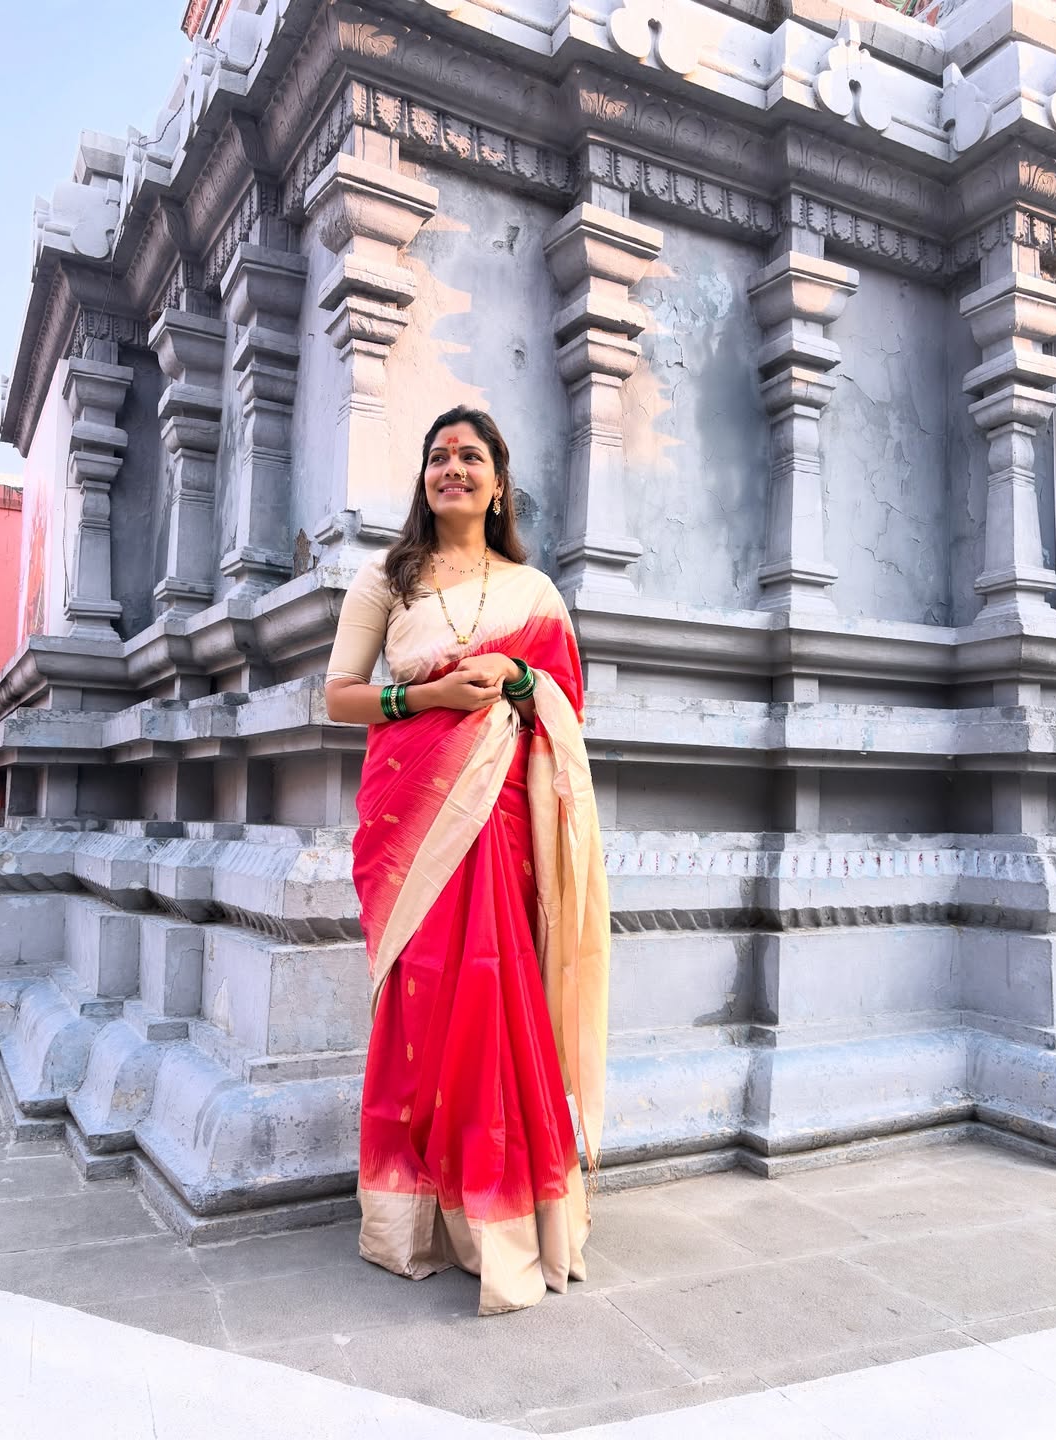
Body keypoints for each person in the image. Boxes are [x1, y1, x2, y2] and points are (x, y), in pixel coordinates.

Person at [324, 405, 610, 1316]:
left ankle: (499, 1219)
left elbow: (566, 703)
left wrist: (519, 681)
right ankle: (414, 1215)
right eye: (438, 455)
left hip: (498, 825)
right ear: (423, 478)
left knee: (493, 990)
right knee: (426, 996)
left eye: (470, 456)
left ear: (498, 485)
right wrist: (430, 693)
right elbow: (339, 698)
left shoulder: (535, 594)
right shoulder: (384, 580)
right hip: (410, 824)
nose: (452, 467)